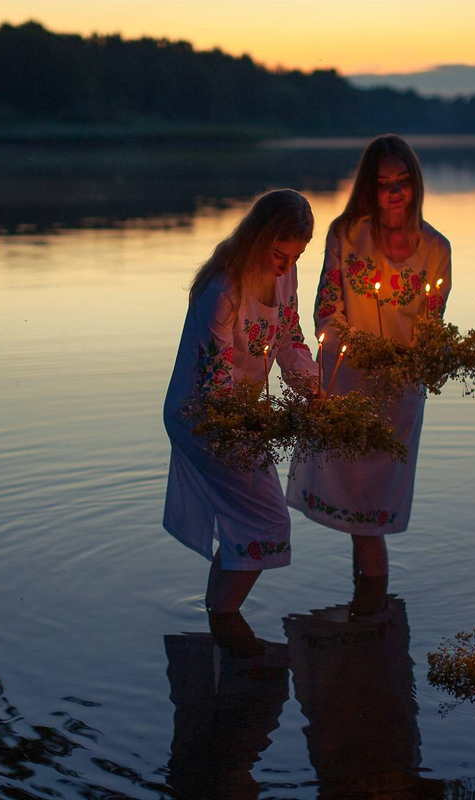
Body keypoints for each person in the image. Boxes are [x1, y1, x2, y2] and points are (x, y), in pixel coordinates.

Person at [286, 134, 452, 611]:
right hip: (347, 382)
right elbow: (326, 310)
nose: (394, 192)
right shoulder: (345, 235)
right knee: (356, 511)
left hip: (399, 392)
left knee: (372, 515)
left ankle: (370, 613)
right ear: (369, 187)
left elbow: (432, 327)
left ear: (415, 185)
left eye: (402, 182)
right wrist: (362, 350)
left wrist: (411, 361)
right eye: (383, 184)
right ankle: (369, 615)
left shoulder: (436, 248)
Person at [163, 188, 318, 621]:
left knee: (255, 524)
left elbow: (289, 341)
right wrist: (271, 422)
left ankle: (219, 624)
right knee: (268, 522)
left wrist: (317, 390)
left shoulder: (285, 277)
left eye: (295, 258)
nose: (286, 267)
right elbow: (216, 384)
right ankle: (224, 621)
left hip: (243, 416)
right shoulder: (223, 290)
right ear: (257, 238)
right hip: (203, 416)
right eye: (278, 255)